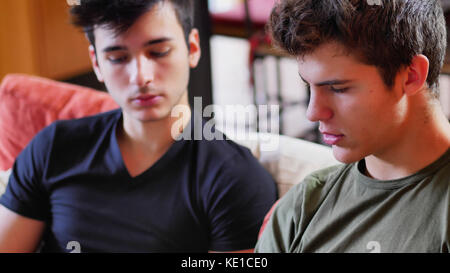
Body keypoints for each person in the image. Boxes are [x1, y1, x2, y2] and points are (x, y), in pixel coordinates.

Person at [0, 0, 277, 253]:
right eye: (118, 58)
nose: (141, 77)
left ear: (192, 49)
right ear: (97, 63)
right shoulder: (54, 148)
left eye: (158, 52)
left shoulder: (234, 180)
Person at [256, 0, 450, 253]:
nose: (313, 113)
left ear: (412, 75)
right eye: (308, 85)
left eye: (338, 88)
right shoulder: (302, 208)